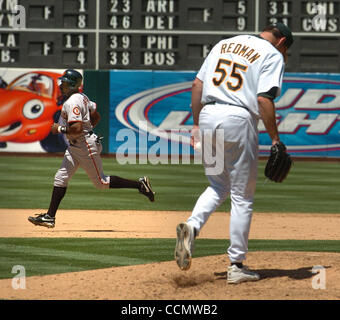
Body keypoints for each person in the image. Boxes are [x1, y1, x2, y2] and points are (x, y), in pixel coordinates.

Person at [174, 23, 293, 284]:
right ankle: (236, 265)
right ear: (282, 41)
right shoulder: (272, 53)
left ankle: (192, 228)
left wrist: (196, 124)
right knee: (242, 196)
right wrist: (275, 140)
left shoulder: (224, 43)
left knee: (218, 184)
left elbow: (197, 85)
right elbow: (263, 99)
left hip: (207, 113)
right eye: (287, 51)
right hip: (237, 117)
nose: (285, 55)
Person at [28, 69, 155, 228]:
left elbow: (77, 128)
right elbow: (96, 116)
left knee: (101, 182)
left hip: (84, 145)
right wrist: (87, 130)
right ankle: (49, 217)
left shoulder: (73, 101)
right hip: (77, 145)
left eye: (65, 83)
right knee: (60, 178)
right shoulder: (82, 97)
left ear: (73, 85)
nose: (61, 85)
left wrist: (59, 129)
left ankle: (140, 185)